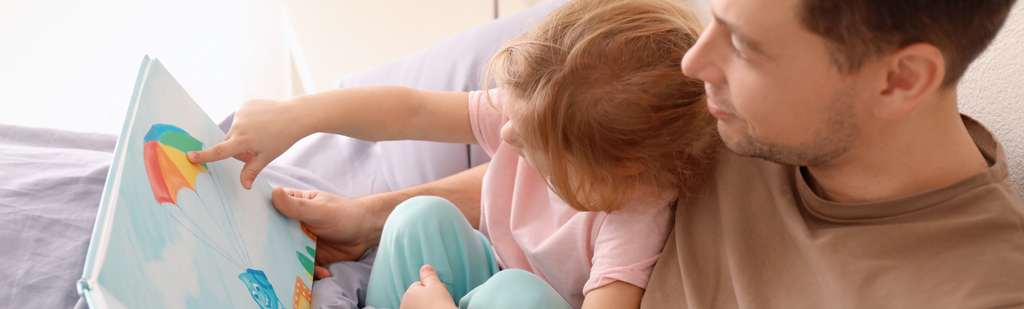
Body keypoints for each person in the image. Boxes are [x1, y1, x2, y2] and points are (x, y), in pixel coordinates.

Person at [188, 0, 715, 308]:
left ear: (617, 164)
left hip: (520, 300)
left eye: (530, 143)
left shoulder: (634, 223)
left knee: (514, 296)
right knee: (421, 217)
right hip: (488, 264)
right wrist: (299, 115)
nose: (506, 139)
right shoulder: (540, 113)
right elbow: (410, 111)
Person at [637, 0, 1024, 308]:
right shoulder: (720, 118)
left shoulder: (988, 295)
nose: (692, 63)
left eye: (741, 45)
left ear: (899, 80)